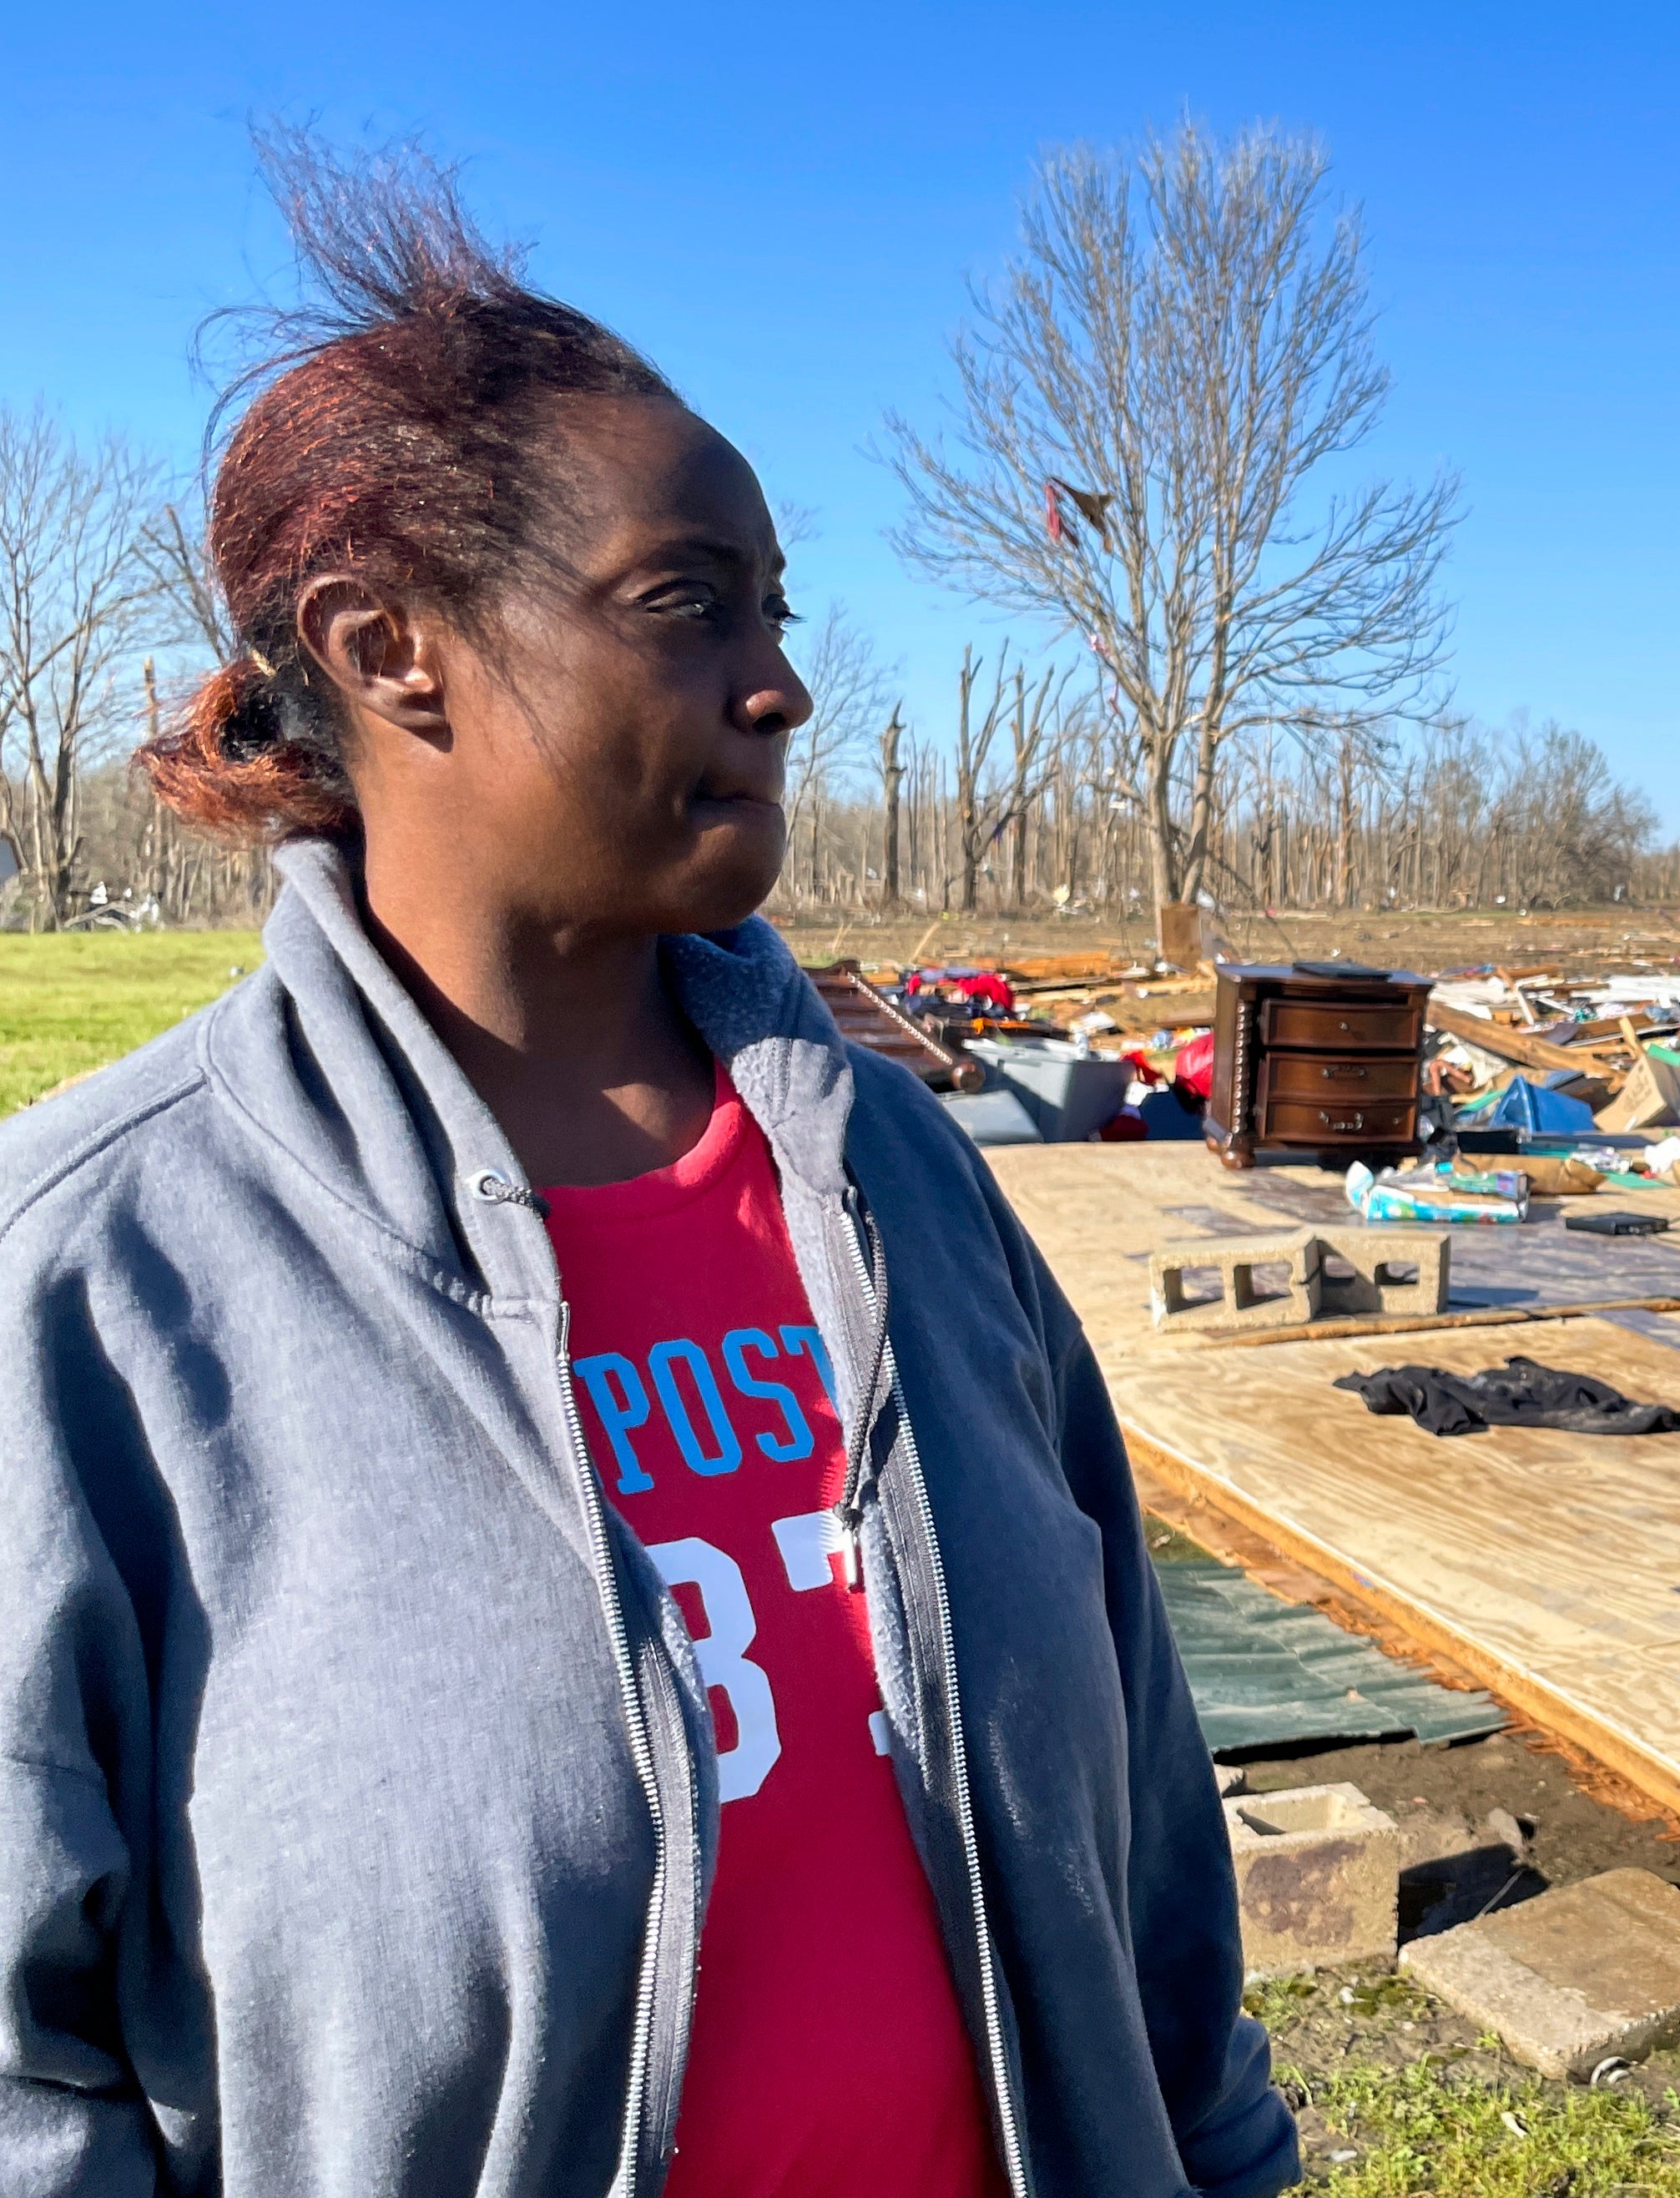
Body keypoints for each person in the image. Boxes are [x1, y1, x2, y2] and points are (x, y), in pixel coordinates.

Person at [0, 139, 1297, 2198]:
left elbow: (1137, 1799)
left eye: (772, 616)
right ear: (386, 646)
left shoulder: (905, 1183)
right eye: (685, 607)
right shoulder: (93, 1284)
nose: (779, 685)